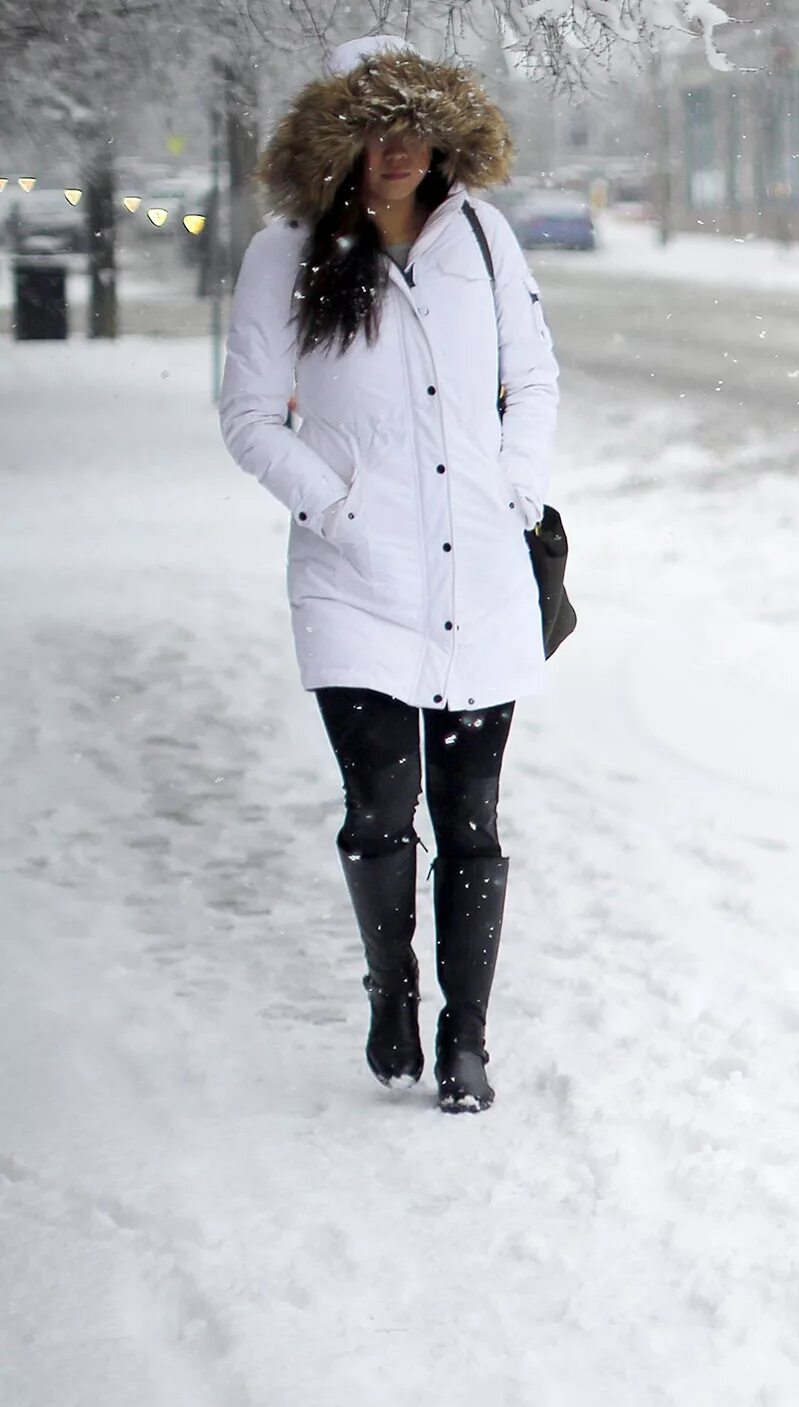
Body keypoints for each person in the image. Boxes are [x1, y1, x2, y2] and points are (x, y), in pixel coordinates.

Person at [219, 36, 558, 1113]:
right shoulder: (285, 252)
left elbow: (533, 376)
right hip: (354, 576)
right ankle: (390, 984)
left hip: (480, 575)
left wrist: (513, 492)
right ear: (339, 139)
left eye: (418, 127)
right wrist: (340, 506)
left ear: (447, 135)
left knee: (473, 821)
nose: (400, 147)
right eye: (377, 127)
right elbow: (247, 417)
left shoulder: (486, 241)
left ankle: (468, 1037)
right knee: (379, 813)